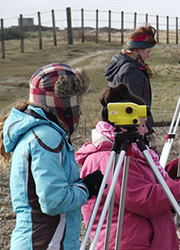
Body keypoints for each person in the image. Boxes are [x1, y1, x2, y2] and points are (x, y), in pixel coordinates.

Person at [75, 83, 180, 250]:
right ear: (125, 123)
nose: (145, 130)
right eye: (142, 124)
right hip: (129, 243)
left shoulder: (134, 154)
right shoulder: (108, 157)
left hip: (147, 241)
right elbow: (144, 200)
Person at [0, 63, 105, 249]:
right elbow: (53, 201)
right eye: (76, 102)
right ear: (60, 103)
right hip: (45, 242)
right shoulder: (47, 137)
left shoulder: (36, 132)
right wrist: (87, 187)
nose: (79, 111)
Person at [104, 25, 157, 150]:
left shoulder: (120, 65)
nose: (148, 56)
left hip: (120, 125)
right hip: (133, 128)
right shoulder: (132, 70)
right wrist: (147, 130)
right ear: (138, 50)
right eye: (148, 52)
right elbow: (135, 103)